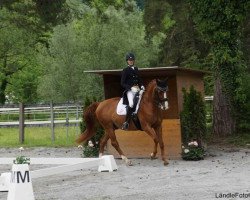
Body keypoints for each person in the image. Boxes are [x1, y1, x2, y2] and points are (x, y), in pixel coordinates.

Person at [120, 52, 145, 130]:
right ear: (127, 61)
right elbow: (122, 83)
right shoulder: (125, 70)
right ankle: (126, 122)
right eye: (129, 60)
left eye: (132, 60)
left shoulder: (136, 69)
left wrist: (142, 86)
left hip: (138, 90)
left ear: (134, 61)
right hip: (130, 91)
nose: (131, 61)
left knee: (143, 102)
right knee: (131, 104)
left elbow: (139, 79)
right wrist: (131, 88)